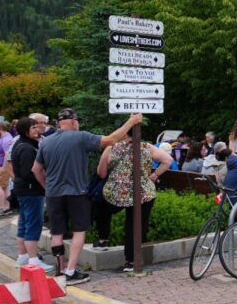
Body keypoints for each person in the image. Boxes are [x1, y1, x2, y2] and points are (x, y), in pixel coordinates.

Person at [32, 109, 142, 285]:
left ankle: (60, 271)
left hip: (53, 194)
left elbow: (36, 170)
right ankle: (70, 271)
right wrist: (131, 122)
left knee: (57, 232)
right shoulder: (81, 137)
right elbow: (111, 140)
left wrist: (47, 187)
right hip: (77, 193)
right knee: (79, 231)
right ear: (74, 122)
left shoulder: (46, 142)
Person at [96, 135, 173, 272]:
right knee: (135, 226)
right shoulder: (146, 147)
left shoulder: (111, 148)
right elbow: (167, 160)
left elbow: (101, 173)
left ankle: (103, 239)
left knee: (102, 209)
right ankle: (131, 261)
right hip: (143, 193)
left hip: (116, 193)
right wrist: (154, 176)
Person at [8, 118, 53, 272]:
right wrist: (44, 183)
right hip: (31, 190)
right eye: (33, 127)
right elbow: (30, 173)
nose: (37, 129)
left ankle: (23, 257)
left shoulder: (21, 144)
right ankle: (33, 260)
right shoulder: (26, 148)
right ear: (25, 130)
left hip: (23, 190)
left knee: (24, 224)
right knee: (33, 224)